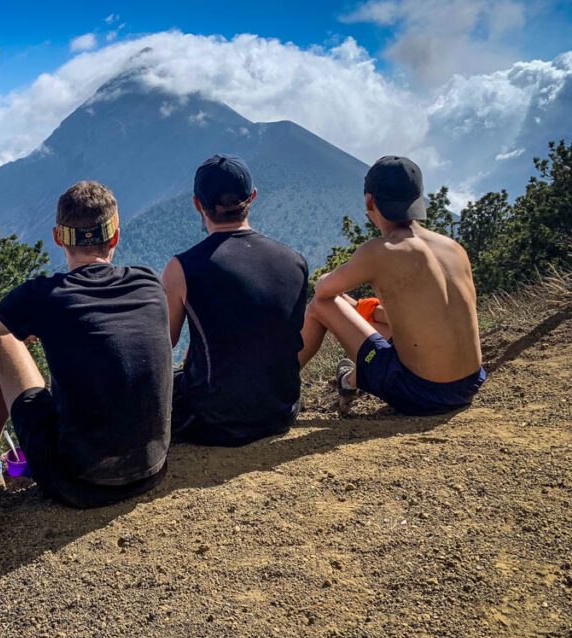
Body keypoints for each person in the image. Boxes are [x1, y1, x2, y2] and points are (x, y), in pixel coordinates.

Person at [0, 181, 172, 508]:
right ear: (115, 236)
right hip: (152, 468)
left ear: (57, 238)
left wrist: (31, 323)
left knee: (0, 337)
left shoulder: (43, 296)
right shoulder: (149, 281)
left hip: (79, 483)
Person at [298, 155, 486, 414]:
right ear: (419, 197)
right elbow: (425, 317)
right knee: (355, 306)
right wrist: (365, 309)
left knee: (322, 304)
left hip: (422, 393)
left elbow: (323, 291)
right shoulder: (453, 248)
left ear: (369, 201)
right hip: (468, 384)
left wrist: (326, 281)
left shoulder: (381, 250)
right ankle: (350, 380)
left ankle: (276, 386)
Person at [161, 154, 309, 446]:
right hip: (281, 411)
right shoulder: (295, 261)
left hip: (214, 421)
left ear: (197, 204)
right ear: (252, 198)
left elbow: (164, 343)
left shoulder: (182, 268)